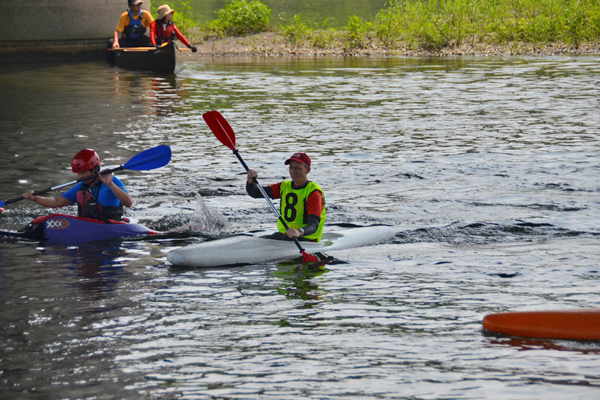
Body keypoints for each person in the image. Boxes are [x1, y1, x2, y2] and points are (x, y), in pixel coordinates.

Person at [23, 149, 133, 221]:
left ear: (95, 169)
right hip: (87, 228)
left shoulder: (112, 181)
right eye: (78, 173)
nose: (80, 176)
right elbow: (56, 202)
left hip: (110, 229)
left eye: (84, 172)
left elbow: (128, 203)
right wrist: (35, 198)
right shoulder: (81, 187)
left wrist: (110, 184)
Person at [246, 152, 326, 242]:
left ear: (307, 170)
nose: (293, 172)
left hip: (306, 239)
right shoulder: (284, 186)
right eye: (291, 168)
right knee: (254, 241)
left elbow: (314, 225)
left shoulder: (314, 193)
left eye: (298, 168)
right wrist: (250, 182)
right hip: (284, 236)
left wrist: (299, 232)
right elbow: (255, 193)